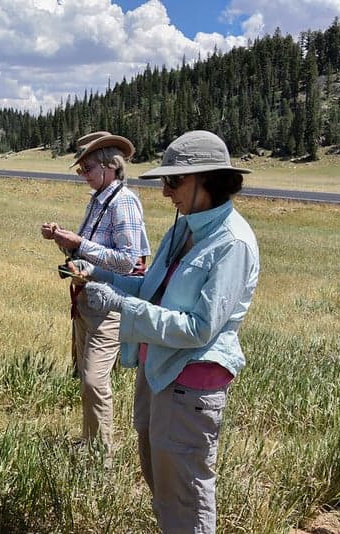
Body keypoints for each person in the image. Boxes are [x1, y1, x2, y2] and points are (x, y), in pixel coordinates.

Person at [80, 130, 259, 533]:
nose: (165, 191)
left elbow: (199, 328)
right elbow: (151, 288)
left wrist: (121, 305)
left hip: (190, 381)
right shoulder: (184, 229)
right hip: (157, 369)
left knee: (185, 492)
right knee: (161, 480)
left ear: (208, 180)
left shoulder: (232, 243)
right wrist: (103, 276)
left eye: (174, 181)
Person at [40, 131, 150, 454]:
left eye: (87, 168)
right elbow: (89, 251)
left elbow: (129, 261)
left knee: (94, 380)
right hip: (87, 299)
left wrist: (79, 243)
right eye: (81, 169)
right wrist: (64, 240)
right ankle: (90, 442)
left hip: (108, 305)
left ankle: (101, 455)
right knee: (87, 378)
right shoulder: (98, 200)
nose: (83, 175)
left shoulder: (123, 202)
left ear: (110, 167)